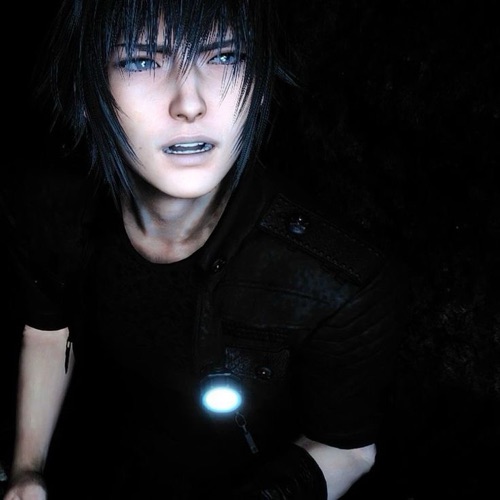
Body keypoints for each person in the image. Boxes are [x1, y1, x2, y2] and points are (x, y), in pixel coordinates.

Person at [3, 0, 409, 498]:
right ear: (86, 92)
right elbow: (47, 329)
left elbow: (348, 449)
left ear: (261, 87)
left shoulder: (341, 280)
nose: (190, 103)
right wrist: (27, 471)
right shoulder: (48, 200)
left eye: (224, 56)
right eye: (141, 60)